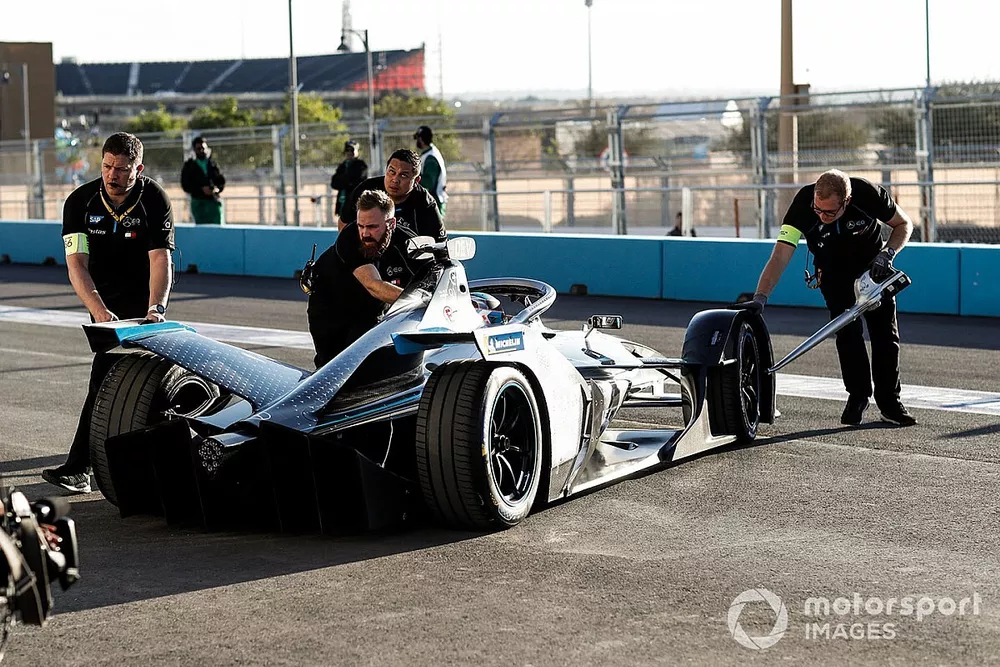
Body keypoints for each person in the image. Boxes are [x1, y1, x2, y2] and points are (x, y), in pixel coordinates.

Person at [43, 132, 175, 493]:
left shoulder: (154, 199)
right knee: (110, 378)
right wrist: (99, 310)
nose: (113, 175)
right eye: (107, 166)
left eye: (122, 168)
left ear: (139, 168)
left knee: (128, 380)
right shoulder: (79, 202)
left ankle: (84, 468)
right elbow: (76, 264)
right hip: (102, 302)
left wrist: (156, 308)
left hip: (144, 301)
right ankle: (91, 467)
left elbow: (160, 258)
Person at [736, 169, 917, 427]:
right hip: (833, 275)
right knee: (847, 335)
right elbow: (780, 256)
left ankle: (889, 402)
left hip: (873, 271)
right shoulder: (802, 205)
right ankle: (858, 396)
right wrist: (761, 297)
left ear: (847, 200)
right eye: (818, 210)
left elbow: (904, 224)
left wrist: (887, 254)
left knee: (885, 336)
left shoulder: (868, 193)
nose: (822, 216)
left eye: (829, 212)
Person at [304, 189, 425, 368]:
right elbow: (373, 286)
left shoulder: (408, 242)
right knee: (334, 370)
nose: (365, 234)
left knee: (373, 369)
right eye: (361, 225)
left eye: (372, 227)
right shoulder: (349, 238)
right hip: (329, 309)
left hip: (369, 310)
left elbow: (431, 274)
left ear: (391, 223)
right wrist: (423, 301)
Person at [340, 149, 446, 242]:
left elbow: (439, 244)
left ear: (416, 181)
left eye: (403, 175)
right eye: (391, 172)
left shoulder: (425, 203)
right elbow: (343, 223)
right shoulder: (366, 190)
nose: (395, 180)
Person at [180, 136, 226, 225]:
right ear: (194, 150)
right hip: (199, 203)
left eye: (203, 148)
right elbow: (186, 185)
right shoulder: (189, 166)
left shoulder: (212, 164)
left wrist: (217, 189)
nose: (201, 151)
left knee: (218, 228)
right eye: (198, 148)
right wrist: (201, 189)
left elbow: (220, 180)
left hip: (213, 202)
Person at [330, 140, 369, 221]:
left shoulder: (360, 165)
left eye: (352, 150)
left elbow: (358, 181)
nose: (349, 153)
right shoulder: (342, 166)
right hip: (342, 203)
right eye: (347, 150)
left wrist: (345, 180)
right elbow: (334, 183)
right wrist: (346, 181)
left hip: (354, 203)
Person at [414, 125, 448, 216]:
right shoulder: (429, 154)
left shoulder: (431, 158)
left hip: (434, 200)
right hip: (432, 200)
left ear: (420, 139)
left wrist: (413, 180)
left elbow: (429, 182)